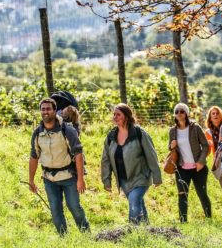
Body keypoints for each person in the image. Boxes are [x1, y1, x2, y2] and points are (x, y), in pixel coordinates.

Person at [28, 98, 90, 235]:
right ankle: (64, 239)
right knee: (55, 211)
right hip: (49, 179)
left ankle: (86, 234)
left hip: (68, 177)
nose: (45, 112)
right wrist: (31, 180)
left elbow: (78, 154)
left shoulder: (67, 130)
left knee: (74, 207)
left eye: (48, 109)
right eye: (43, 109)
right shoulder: (37, 133)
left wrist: (81, 179)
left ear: (55, 111)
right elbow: (34, 157)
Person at [101, 103, 162, 224]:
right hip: (123, 179)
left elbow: (151, 155)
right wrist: (106, 180)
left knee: (134, 201)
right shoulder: (111, 136)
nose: (115, 117)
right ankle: (146, 230)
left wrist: (156, 176)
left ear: (127, 116)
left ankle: (133, 231)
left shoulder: (139, 133)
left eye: (118, 114)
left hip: (140, 176)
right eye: (114, 114)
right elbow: (105, 160)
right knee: (138, 204)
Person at [168, 102, 211, 222]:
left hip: (198, 168)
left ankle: (209, 219)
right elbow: (171, 148)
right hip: (182, 168)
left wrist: (201, 162)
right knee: (182, 195)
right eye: (176, 112)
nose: (179, 114)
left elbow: (206, 145)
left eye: (182, 111)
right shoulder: (172, 131)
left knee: (202, 194)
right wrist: (171, 146)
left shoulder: (195, 128)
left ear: (186, 113)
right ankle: (183, 221)